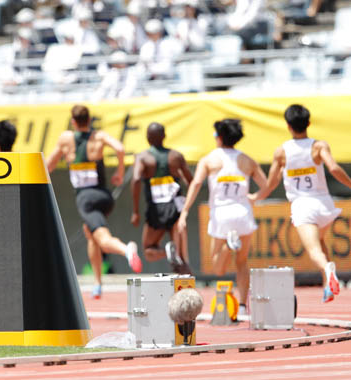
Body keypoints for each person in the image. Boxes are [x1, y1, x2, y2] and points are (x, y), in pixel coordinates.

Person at [252, 104, 351, 303]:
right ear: (309, 123)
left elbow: (271, 184)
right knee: (321, 242)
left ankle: (328, 271)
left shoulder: (282, 152)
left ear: (288, 126)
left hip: (302, 206)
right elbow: (333, 168)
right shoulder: (319, 146)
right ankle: (327, 285)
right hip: (324, 204)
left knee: (314, 251)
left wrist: (255, 197)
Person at [46, 105, 142, 299]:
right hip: (104, 196)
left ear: (73, 121)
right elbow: (120, 148)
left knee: (104, 241)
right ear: (89, 120)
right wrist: (120, 172)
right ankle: (98, 283)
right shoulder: (98, 136)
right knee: (90, 234)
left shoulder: (66, 140)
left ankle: (127, 249)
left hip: (85, 200)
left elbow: (48, 165)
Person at [178, 119, 267, 315]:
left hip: (221, 214)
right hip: (243, 213)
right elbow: (266, 184)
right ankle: (243, 306)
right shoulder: (247, 160)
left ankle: (228, 245)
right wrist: (255, 198)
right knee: (242, 263)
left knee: (218, 268)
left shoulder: (209, 160)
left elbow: (195, 185)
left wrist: (184, 211)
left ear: (219, 137)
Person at [131, 122, 194, 274]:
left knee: (148, 250)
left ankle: (167, 252)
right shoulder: (176, 156)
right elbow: (192, 181)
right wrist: (185, 205)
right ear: (165, 136)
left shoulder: (143, 157)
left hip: (156, 210)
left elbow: (136, 180)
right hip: (176, 208)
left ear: (147, 138)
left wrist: (135, 211)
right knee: (182, 258)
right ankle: (188, 290)